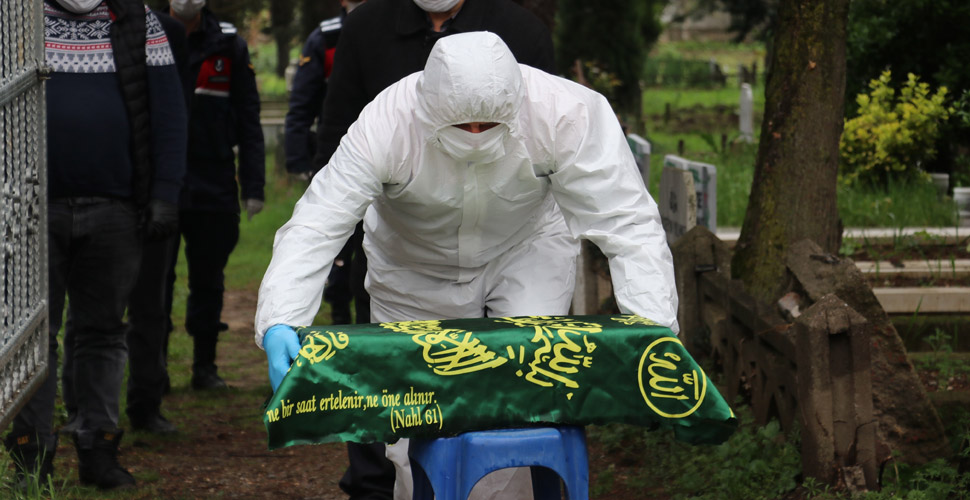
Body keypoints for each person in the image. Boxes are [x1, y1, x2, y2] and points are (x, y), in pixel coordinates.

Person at [256, 32, 678, 500]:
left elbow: (627, 221)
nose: (476, 136)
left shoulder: (566, 112)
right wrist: (281, 318)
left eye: (488, 125)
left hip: (526, 248)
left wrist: (654, 324)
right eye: (464, 127)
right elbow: (319, 222)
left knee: (520, 403)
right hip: (412, 264)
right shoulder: (387, 122)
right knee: (411, 425)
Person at [310, 2, 556, 496]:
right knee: (397, 379)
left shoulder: (522, 30)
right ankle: (380, 482)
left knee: (513, 383)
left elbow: (543, 129)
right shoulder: (365, 30)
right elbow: (338, 133)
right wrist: (346, 238)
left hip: (512, 231)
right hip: (406, 235)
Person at [3, 0, 186, 490]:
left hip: (117, 211)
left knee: (103, 333)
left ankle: (99, 450)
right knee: (33, 341)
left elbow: (169, 115)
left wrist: (165, 194)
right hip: (29, 211)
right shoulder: (17, 20)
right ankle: (31, 459)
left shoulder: (136, 20)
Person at [168, 0, 266, 390]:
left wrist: (254, 186)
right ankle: (151, 375)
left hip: (214, 181)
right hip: (164, 180)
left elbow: (248, 118)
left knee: (208, 280)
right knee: (153, 284)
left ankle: (204, 367)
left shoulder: (228, 46)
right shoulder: (147, 34)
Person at [121, 7, 189, 436]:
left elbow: (172, 113)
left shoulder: (163, 32)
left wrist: (165, 192)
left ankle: (146, 404)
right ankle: (84, 412)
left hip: (149, 196)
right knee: (91, 319)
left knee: (150, 307)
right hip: (95, 192)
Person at [283, 0, 366, 326]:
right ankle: (341, 320)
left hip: (394, 163)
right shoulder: (326, 39)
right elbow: (302, 104)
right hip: (337, 163)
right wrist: (299, 160)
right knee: (338, 250)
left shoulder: (397, 30)